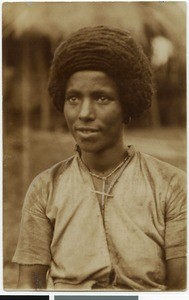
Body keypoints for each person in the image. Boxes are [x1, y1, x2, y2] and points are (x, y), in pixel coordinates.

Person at [12, 26, 186, 291]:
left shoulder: (170, 185)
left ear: (126, 103)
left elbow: (181, 287)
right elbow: (31, 284)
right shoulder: (45, 189)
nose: (84, 113)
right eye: (73, 98)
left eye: (101, 98)